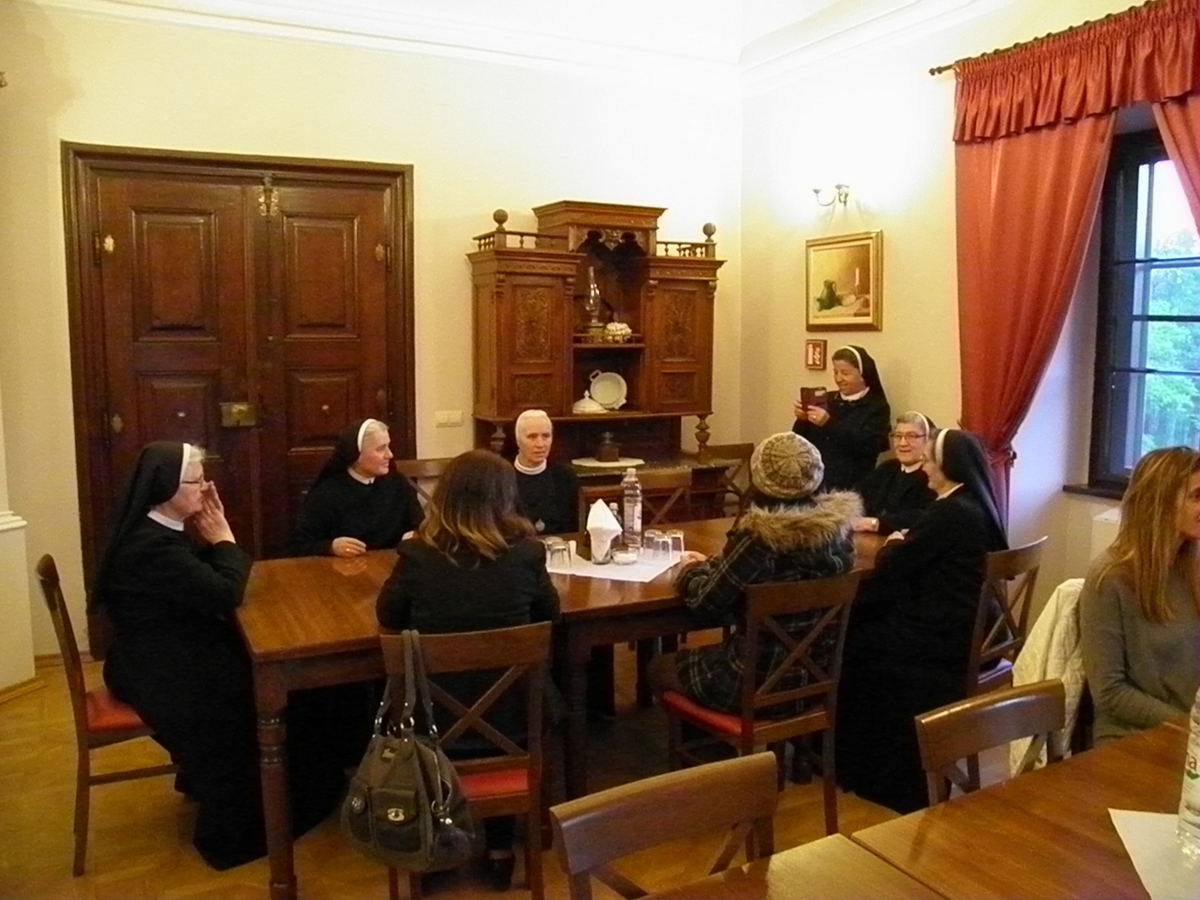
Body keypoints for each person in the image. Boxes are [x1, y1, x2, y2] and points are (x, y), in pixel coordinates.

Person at [91, 442, 343, 870]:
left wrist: (220, 545)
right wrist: (224, 537)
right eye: (196, 481)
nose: (206, 488)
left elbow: (204, 578)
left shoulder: (161, 529)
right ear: (165, 488)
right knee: (268, 691)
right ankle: (266, 803)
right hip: (158, 666)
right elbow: (223, 591)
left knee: (273, 678)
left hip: (163, 650)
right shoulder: (150, 546)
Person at [376, 449, 559, 891]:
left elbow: (389, 614)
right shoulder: (527, 553)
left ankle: (436, 840)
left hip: (433, 721)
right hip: (515, 720)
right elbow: (549, 615)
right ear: (505, 498)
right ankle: (500, 847)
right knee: (513, 700)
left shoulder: (417, 554)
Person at [836, 428, 1008, 813]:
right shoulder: (975, 504)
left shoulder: (951, 513)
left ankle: (861, 767)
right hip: (970, 629)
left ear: (949, 468)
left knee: (849, 639)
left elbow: (892, 564)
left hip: (941, 636)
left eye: (929, 461)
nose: (924, 467)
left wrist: (895, 543)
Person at [646, 432, 860, 714]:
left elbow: (705, 603)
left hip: (751, 682)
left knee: (659, 667)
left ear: (759, 477)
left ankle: (709, 742)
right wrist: (716, 564)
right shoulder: (838, 533)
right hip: (813, 681)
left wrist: (689, 570)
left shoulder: (759, 538)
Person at [1080, 446, 1200, 744]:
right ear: (1160, 503)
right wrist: (1188, 726)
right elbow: (1109, 692)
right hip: (1133, 738)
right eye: (1197, 496)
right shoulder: (1110, 578)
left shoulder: (1191, 566)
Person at [286, 418, 423, 557]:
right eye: (380, 448)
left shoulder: (398, 484)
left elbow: (420, 526)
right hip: (346, 568)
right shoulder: (327, 493)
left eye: (388, 446)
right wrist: (330, 547)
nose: (390, 455)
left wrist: (415, 535)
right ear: (356, 454)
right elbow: (297, 546)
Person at [792, 345, 890, 491]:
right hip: (815, 481)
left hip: (852, 485)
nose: (838, 379)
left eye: (845, 373)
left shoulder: (876, 406)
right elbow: (800, 440)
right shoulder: (827, 399)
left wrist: (828, 423)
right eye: (835, 372)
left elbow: (867, 445)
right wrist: (802, 420)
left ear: (863, 374)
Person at [850, 411, 937, 535]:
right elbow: (858, 495)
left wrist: (877, 523)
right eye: (898, 436)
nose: (902, 443)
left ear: (928, 440)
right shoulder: (888, 468)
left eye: (912, 436)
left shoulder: (933, 475)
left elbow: (926, 515)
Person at [511, 409, 580, 535]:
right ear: (518, 440)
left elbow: (575, 527)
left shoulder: (565, 477)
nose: (540, 444)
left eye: (546, 436)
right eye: (532, 437)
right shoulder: (502, 477)